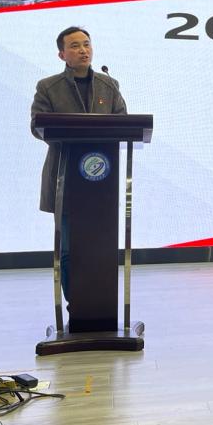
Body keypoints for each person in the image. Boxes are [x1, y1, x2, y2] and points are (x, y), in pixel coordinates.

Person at [30, 26, 127, 300]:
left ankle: (100, 306)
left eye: (86, 44)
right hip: (65, 179)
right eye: (75, 46)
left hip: (102, 183)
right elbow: (37, 127)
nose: (83, 50)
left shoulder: (109, 85)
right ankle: (77, 306)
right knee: (69, 250)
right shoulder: (48, 87)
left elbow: (124, 121)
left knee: (100, 248)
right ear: (62, 55)